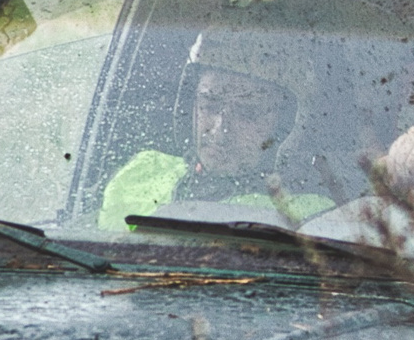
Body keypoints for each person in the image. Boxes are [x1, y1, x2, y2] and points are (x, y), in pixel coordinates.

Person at [99, 38, 332, 230]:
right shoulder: (141, 173)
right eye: (209, 105)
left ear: (286, 126)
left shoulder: (313, 214)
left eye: (248, 113)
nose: (221, 130)